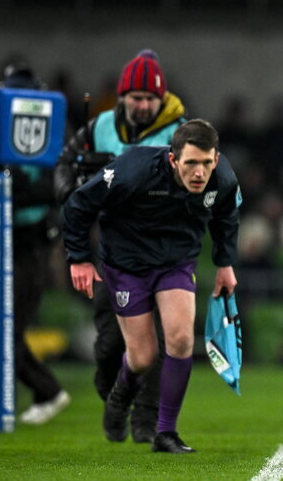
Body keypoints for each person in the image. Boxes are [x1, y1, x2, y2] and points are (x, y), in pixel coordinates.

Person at [61, 119, 240, 453]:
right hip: (126, 266)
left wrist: (224, 263)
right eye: (190, 163)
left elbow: (227, 217)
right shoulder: (133, 169)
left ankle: (166, 432)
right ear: (173, 160)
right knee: (143, 357)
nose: (199, 172)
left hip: (176, 262)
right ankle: (118, 401)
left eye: (206, 163)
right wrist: (79, 258)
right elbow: (78, 204)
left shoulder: (224, 179)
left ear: (215, 159)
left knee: (182, 338)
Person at [54, 49, 187, 442]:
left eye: (150, 99)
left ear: (161, 99)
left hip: (164, 249)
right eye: (136, 98)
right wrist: (73, 189)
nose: (143, 105)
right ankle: (114, 392)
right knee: (110, 345)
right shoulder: (99, 127)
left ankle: (146, 418)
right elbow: (65, 163)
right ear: (123, 97)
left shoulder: (178, 133)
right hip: (114, 251)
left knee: (159, 341)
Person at [0, 62, 71, 425]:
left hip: (31, 239)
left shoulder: (50, 130)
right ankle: (33, 394)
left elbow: (59, 187)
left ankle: (34, 394)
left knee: (8, 327)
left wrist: (11, 186)